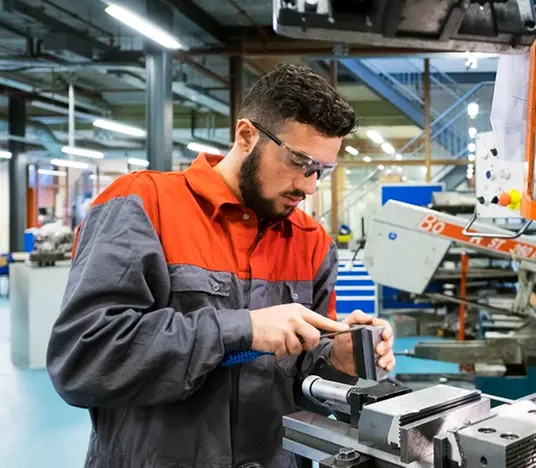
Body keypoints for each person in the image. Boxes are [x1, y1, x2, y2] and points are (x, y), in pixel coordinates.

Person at [46, 64, 396, 468]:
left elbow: (302, 379)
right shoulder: (144, 204)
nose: (309, 186)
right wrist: (243, 328)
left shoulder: (312, 242)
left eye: (321, 170)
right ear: (247, 135)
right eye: (300, 161)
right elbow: (84, 361)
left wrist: (338, 360)